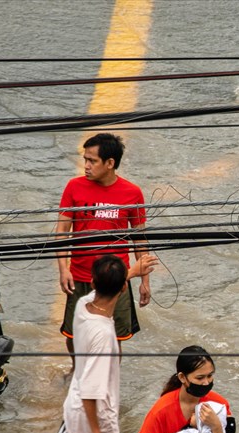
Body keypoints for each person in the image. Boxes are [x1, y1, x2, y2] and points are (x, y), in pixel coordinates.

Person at [13, 254, 154, 433]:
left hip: (73, 407)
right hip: (95, 417)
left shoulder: (82, 306)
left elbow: (104, 290)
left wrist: (129, 273)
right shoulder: (103, 335)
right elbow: (92, 390)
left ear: (91, 282)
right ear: (122, 289)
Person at [56, 132, 151, 369]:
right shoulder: (74, 187)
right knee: (73, 334)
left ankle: (109, 376)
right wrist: (63, 269)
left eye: (92, 161)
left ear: (110, 163)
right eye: (85, 159)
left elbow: (139, 239)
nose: (86, 166)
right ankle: (77, 369)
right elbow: (62, 231)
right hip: (80, 276)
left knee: (113, 338)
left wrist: (145, 281)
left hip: (118, 279)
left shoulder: (132, 193)